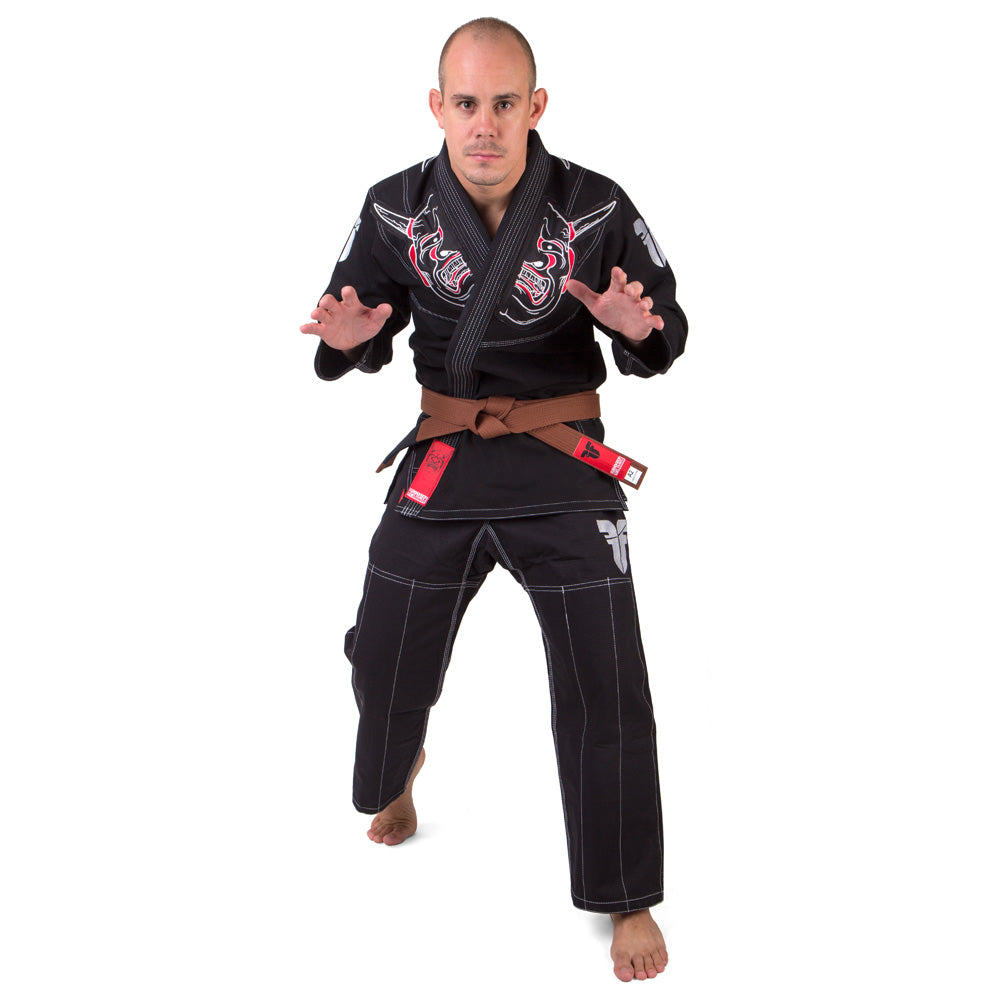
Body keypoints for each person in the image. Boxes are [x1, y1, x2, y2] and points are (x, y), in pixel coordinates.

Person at [299, 18, 687, 983]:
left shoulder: (594, 206)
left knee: (605, 679)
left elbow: (665, 327)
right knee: (383, 648)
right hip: (445, 454)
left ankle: (626, 893)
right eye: (466, 103)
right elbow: (354, 318)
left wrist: (639, 330)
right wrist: (349, 340)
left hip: (562, 459)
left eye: (505, 104)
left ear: (535, 107)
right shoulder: (394, 208)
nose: (485, 124)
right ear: (437, 108)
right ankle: (398, 770)